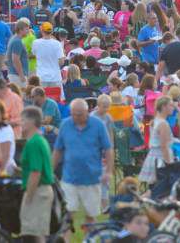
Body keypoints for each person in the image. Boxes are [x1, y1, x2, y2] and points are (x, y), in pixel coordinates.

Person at [53, 98, 114, 227]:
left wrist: (108, 171)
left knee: (90, 217)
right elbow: (58, 150)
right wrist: (49, 171)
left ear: (87, 111)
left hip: (92, 178)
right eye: (73, 114)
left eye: (79, 114)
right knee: (67, 217)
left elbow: (108, 149)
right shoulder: (65, 125)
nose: (76, 117)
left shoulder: (98, 125)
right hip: (69, 178)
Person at [19, 106, 55, 243]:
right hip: (41, 190)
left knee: (35, 233)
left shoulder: (34, 142)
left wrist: (28, 195)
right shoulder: (40, 140)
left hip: (38, 191)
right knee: (36, 232)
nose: (20, 123)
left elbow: (36, 172)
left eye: (22, 120)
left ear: (31, 122)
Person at [139, 95, 175, 184]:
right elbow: (164, 146)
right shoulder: (163, 124)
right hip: (160, 159)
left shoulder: (156, 120)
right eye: (170, 105)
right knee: (160, 188)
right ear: (163, 107)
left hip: (154, 156)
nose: (173, 108)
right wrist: (169, 164)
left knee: (155, 189)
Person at [32, 22, 65, 94]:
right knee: (56, 100)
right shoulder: (57, 43)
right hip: (55, 77)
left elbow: (33, 55)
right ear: (52, 31)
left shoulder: (36, 43)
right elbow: (62, 61)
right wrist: (54, 66)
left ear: (41, 31)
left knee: (41, 100)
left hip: (41, 76)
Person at [5, 19, 30, 88]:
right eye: (26, 29)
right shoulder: (17, 41)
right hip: (17, 76)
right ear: (20, 30)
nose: (28, 31)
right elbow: (15, 59)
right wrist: (21, 75)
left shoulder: (14, 38)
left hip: (14, 74)